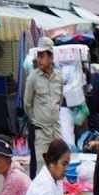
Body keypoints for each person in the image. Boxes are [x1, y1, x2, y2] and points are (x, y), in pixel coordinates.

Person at [23, 36, 64, 177]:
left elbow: (59, 101)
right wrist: (38, 121)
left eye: (42, 56)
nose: (39, 59)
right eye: (38, 56)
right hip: (41, 132)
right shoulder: (32, 78)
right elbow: (27, 105)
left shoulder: (59, 77)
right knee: (42, 171)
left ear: (51, 57)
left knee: (58, 168)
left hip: (56, 131)